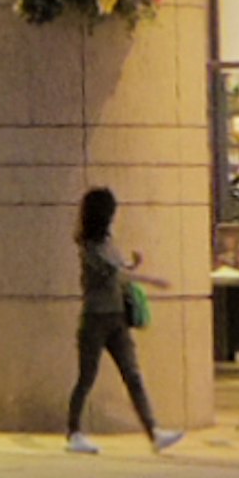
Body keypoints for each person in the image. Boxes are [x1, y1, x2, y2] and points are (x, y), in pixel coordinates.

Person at [65, 184, 182, 454]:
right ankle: (74, 432)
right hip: (95, 318)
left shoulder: (107, 241)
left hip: (116, 316)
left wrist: (133, 266)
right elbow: (113, 274)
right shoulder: (89, 246)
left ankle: (154, 431)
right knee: (87, 377)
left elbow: (119, 271)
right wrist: (150, 279)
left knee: (133, 374)